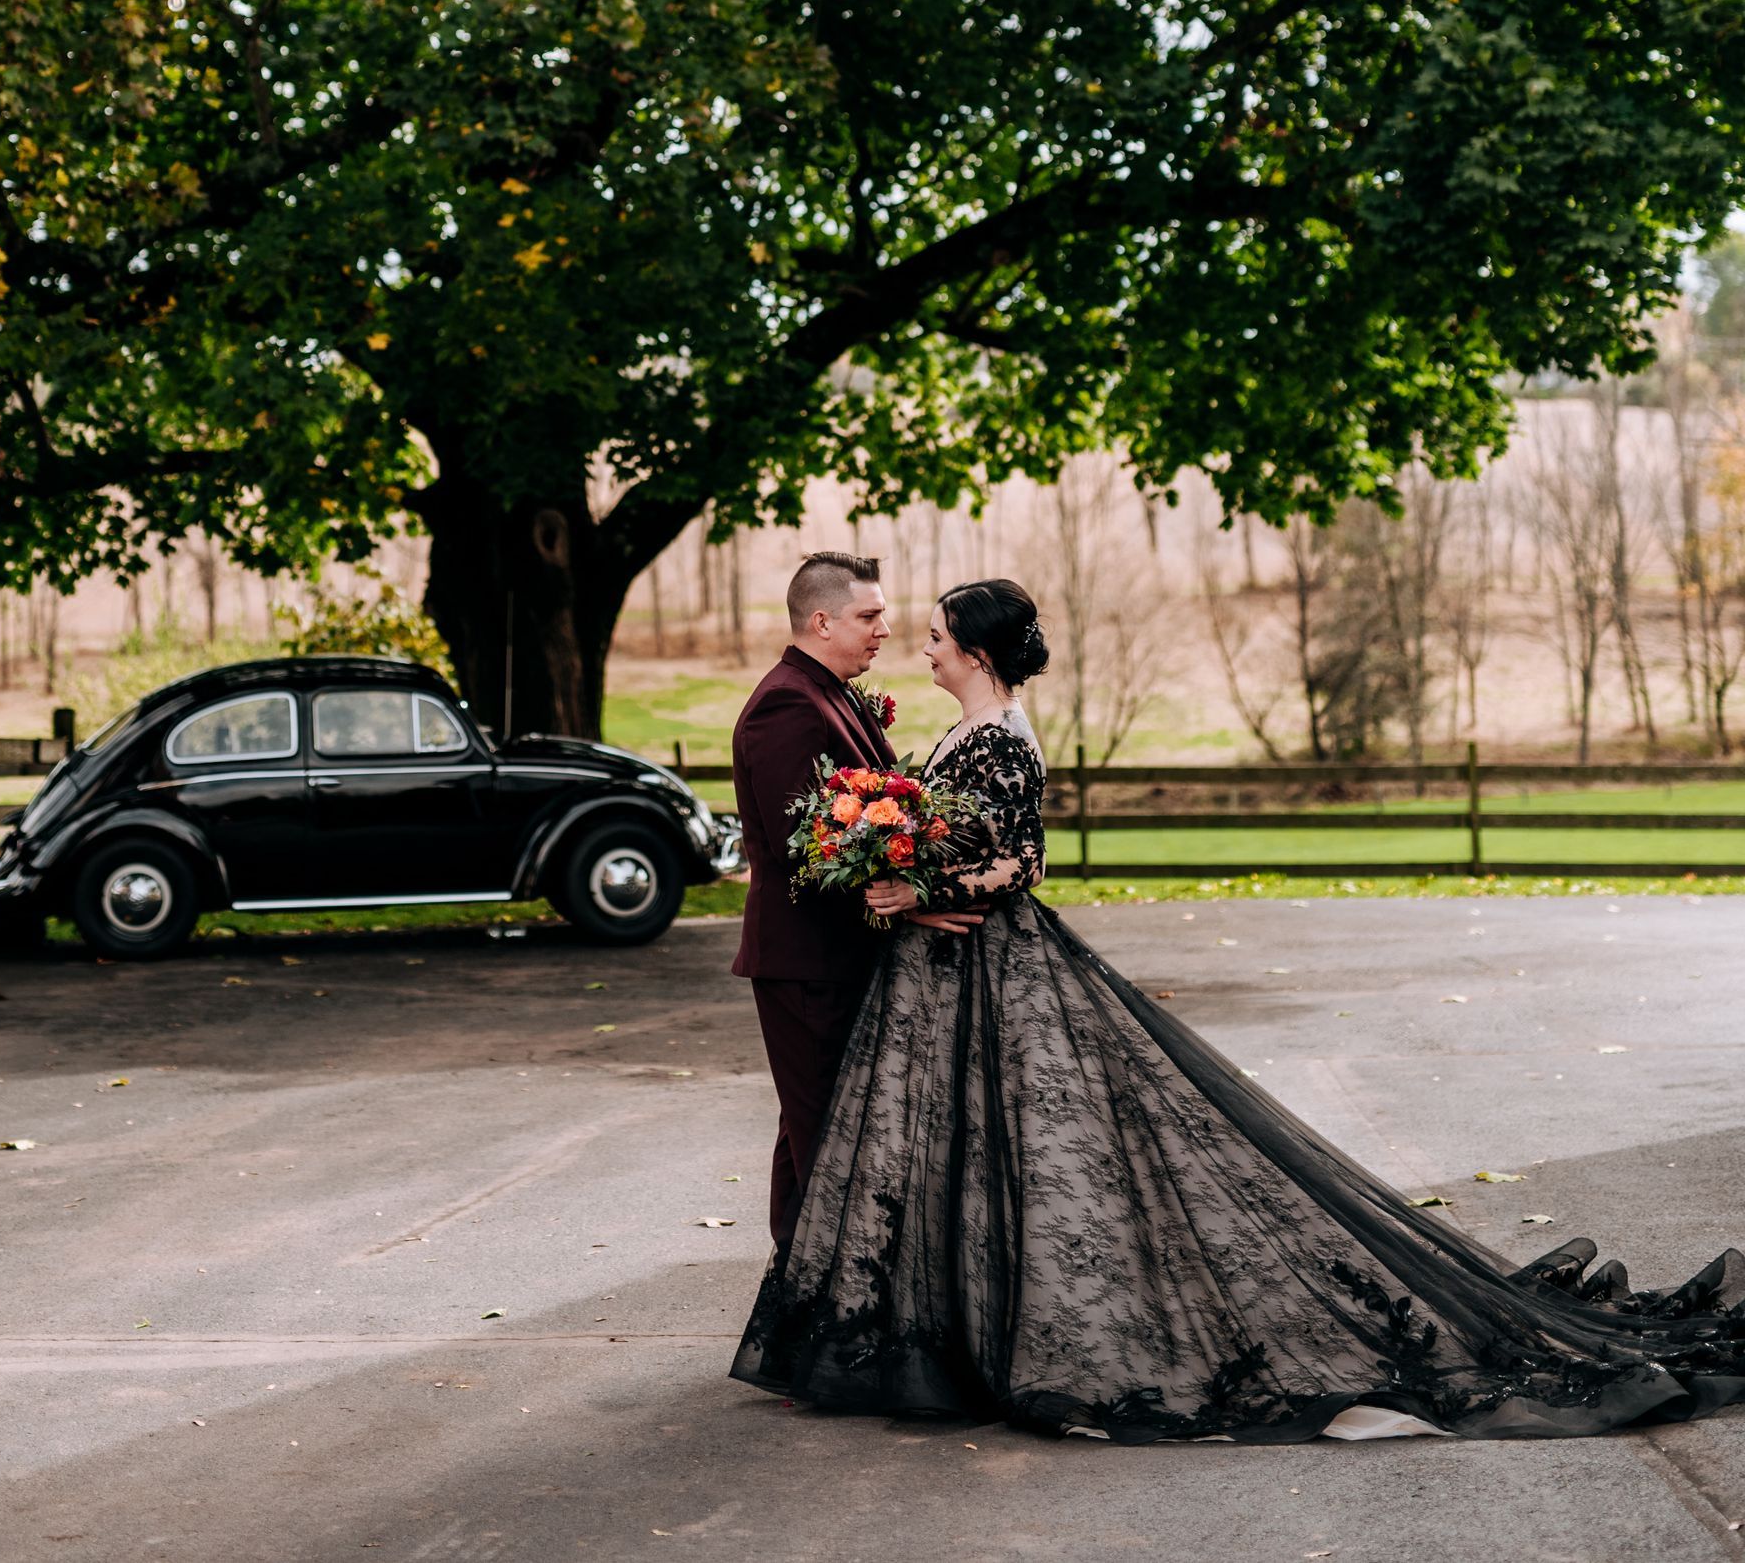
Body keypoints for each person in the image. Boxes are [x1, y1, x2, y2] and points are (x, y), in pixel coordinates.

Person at [733, 575, 1745, 1442]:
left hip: (985, 973)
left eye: (938, 633)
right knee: (963, 1160)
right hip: (942, 980)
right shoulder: (969, 726)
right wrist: (908, 867)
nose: (921, 641)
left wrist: (923, 892)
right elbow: (963, 839)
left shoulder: (1002, 737)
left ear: (978, 650)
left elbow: (1017, 859)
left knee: (1030, 1157)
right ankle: (942, 1333)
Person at [730, 551, 976, 1253]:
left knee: (812, 1127)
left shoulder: (830, 693)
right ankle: (824, 1307)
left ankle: (798, 1302)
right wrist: (905, 901)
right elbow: (801, 850)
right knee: (829, 1133)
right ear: (820, 620)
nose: (883, 631)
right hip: (810, 961)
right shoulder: (787, 703)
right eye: (869, 617)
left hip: (836, 957)